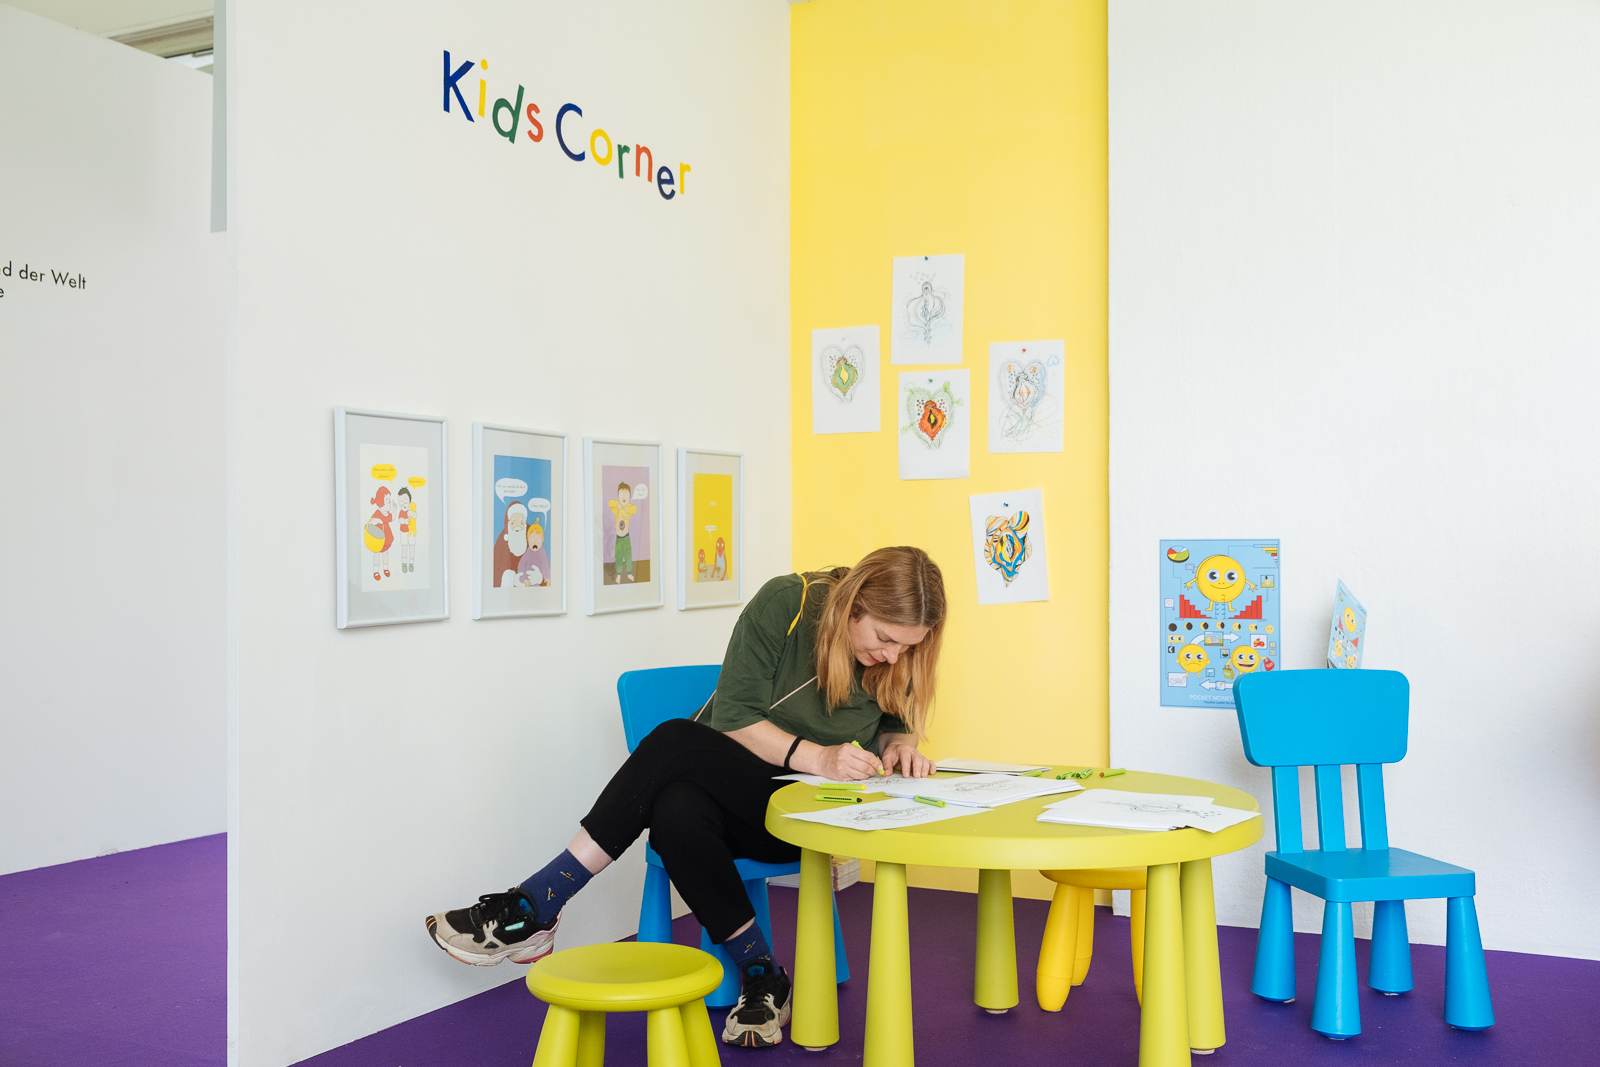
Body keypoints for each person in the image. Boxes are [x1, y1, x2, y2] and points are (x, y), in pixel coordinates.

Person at [425, 546, 947, 1049]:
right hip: (740, 801)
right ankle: (763, 977)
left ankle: (537, 904)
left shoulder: (896, 657)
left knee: (673, 741)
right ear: (853, 603)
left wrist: (900, 747)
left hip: (810, 820)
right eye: (884, 637)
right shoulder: (788, 604)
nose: (891, 655)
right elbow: (734, 717)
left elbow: (894, 723)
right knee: (675, 807)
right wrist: (821, 757)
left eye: (906, 647)